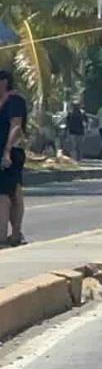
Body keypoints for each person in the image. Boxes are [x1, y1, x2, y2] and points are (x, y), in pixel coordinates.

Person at [0, 71, 27, 247]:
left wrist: (7, 151)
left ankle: (6, 235)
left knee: (6, 194)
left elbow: (16, 126)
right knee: (13, 192)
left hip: (11, 152)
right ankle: (14, 234)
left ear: (4, 81)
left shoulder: (15, 101)